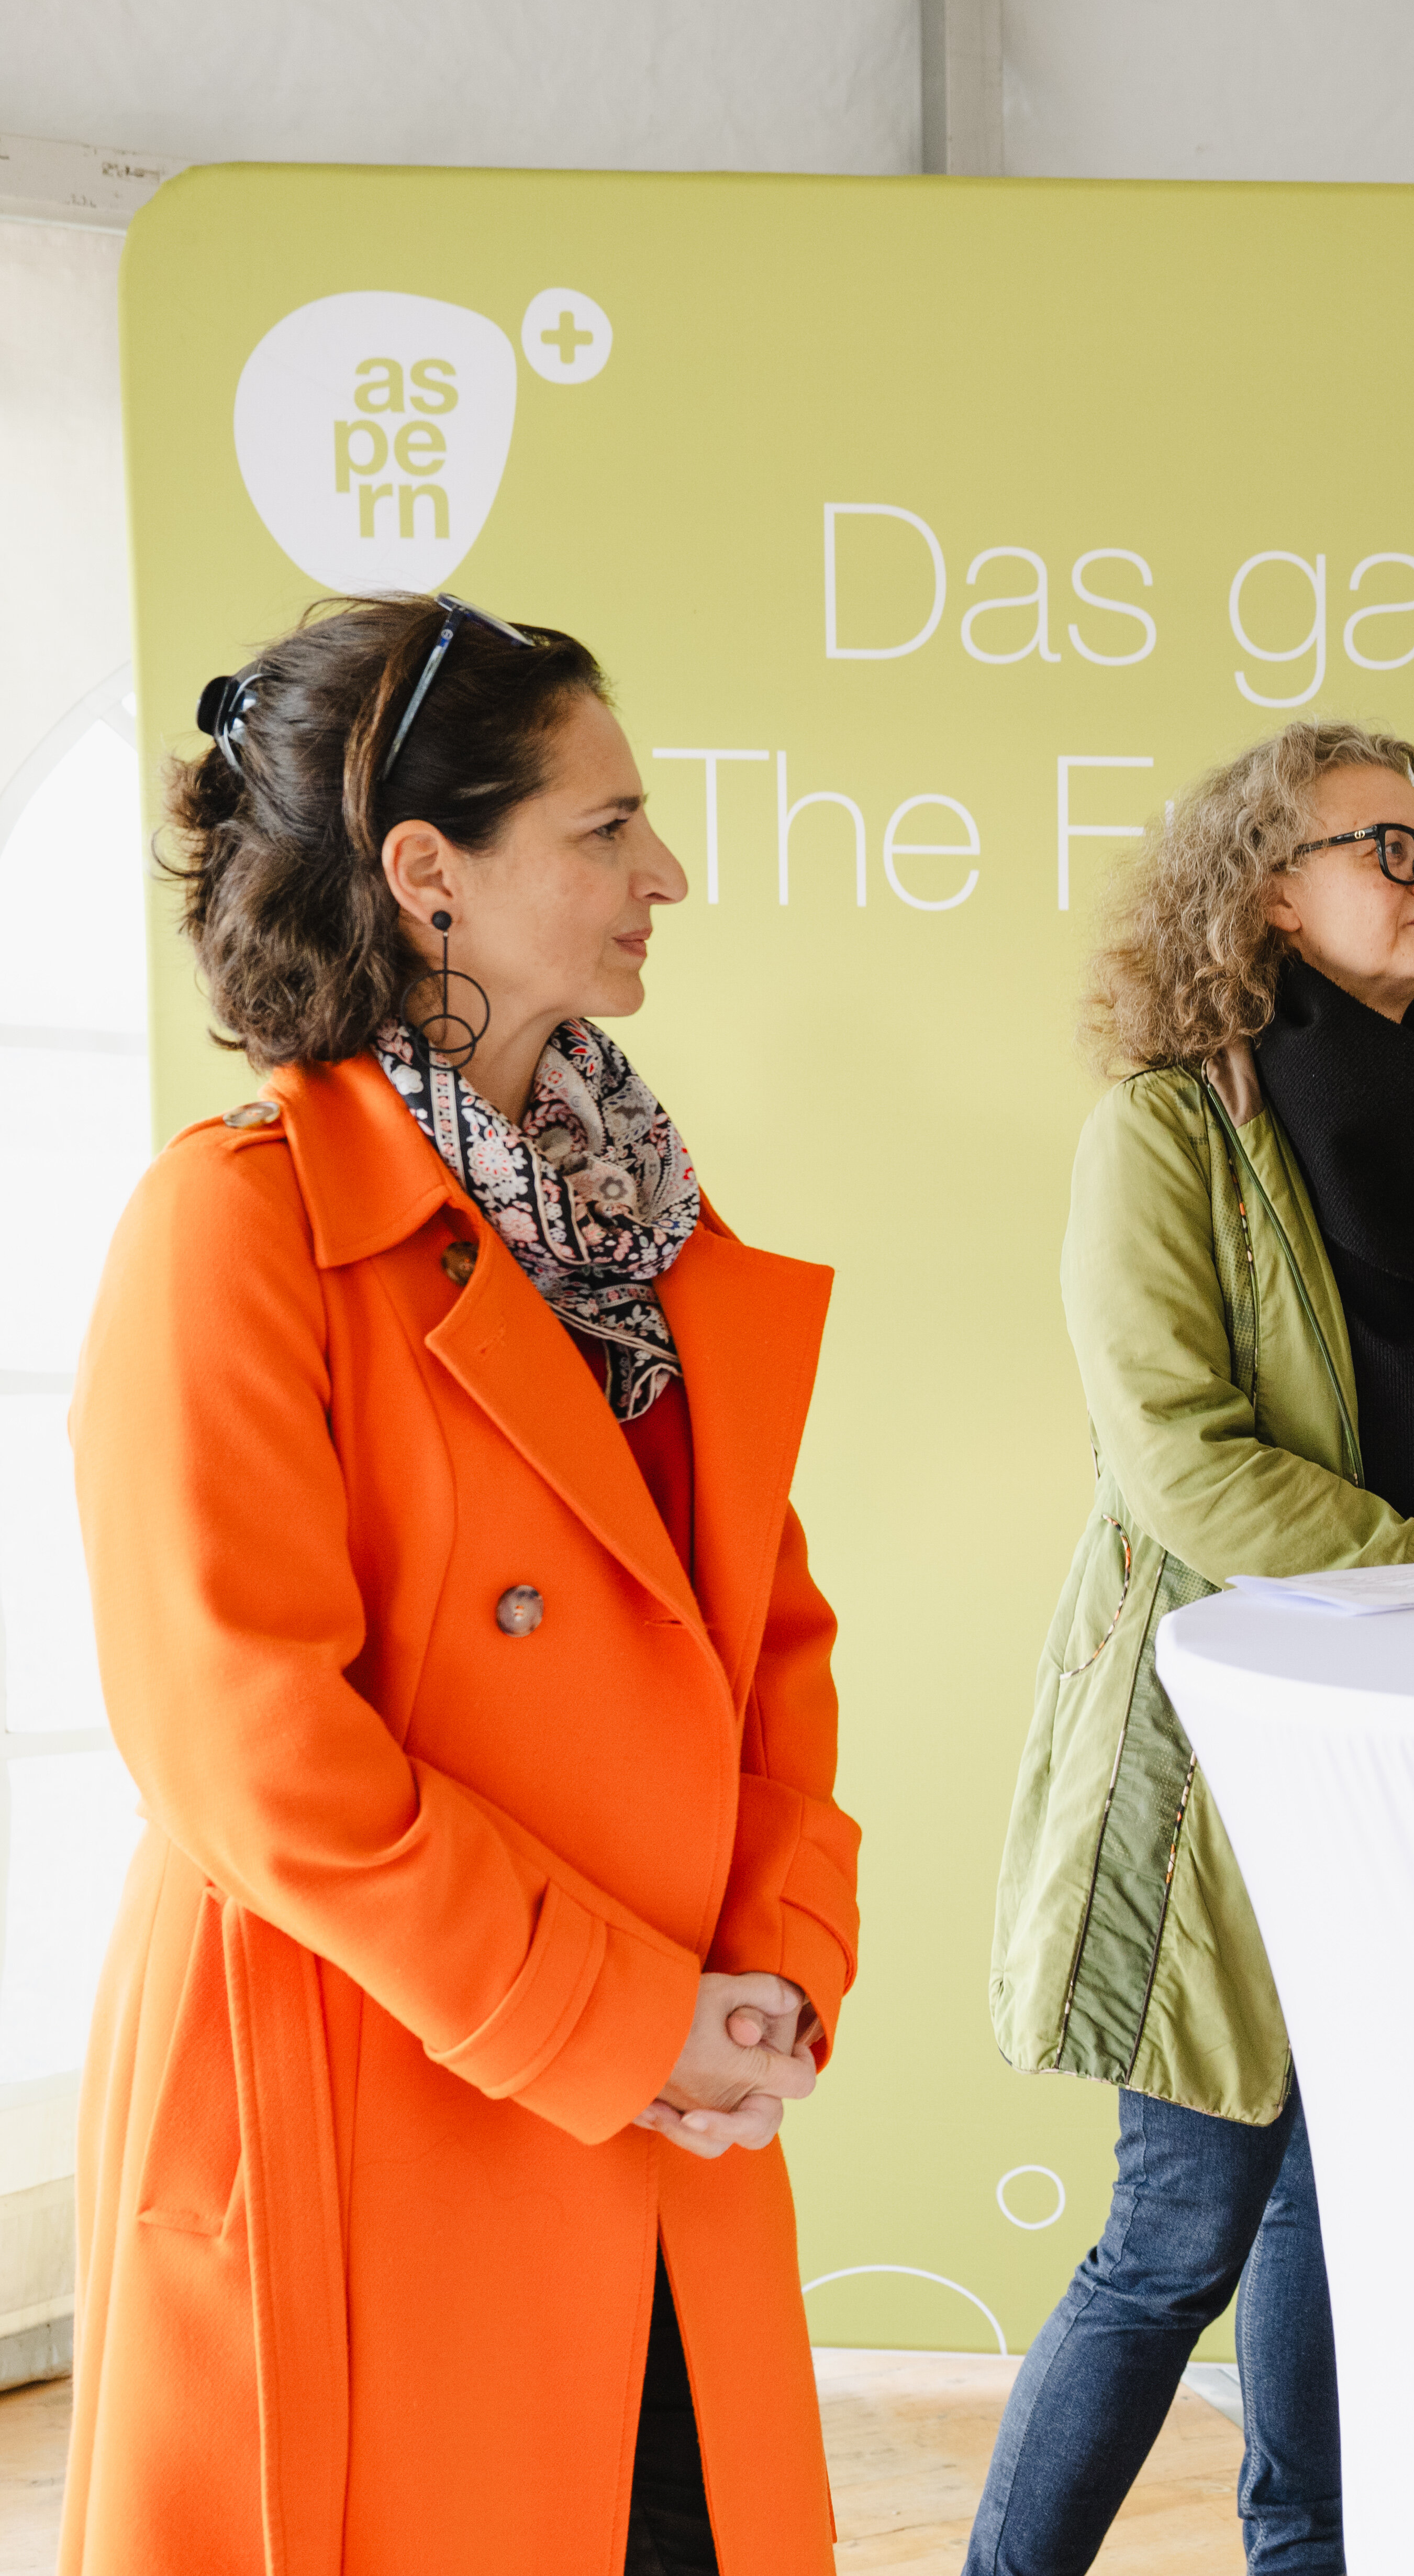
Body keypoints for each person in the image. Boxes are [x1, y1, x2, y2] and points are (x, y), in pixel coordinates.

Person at [68, 594, 856, 2574]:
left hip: (659, 2104)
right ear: (430, 875)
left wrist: (776, 1974)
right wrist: (627, 2023)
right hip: (384, 2099)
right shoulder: (235, 1229)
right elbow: (256, 1759)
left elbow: (767, 1636)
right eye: (605, 829)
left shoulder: (643, 1219)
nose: (661, 871)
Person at [977, 722, 1414, 2575]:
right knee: (1175, 2232)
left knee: (1340, 2208)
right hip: (1217, 1755)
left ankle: (1301, 2556)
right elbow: (1172, 1454)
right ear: (1264, 888)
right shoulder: (1161, 1128)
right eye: (1383, 847)